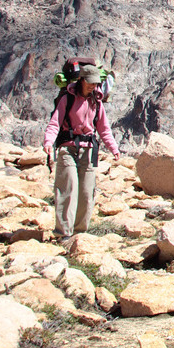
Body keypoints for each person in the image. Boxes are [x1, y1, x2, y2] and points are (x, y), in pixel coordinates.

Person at [42, 63, 120, 238]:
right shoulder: (67, 99)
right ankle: (63, 234)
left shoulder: (97, 101)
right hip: (67, 149)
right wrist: (48, 141)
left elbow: (104, 129)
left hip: (88, 150)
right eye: (90, 82)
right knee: (68, 189)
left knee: (86, 193)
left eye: (96, 83)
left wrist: (113, 148)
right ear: (81, 80)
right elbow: (55, 122)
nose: (94, 86)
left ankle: (79, 234)